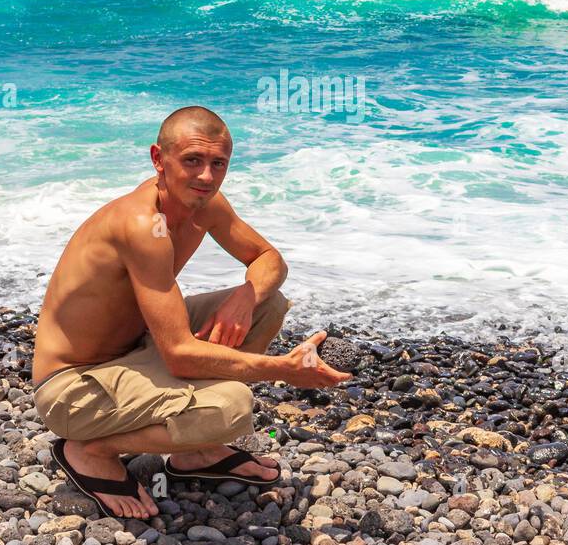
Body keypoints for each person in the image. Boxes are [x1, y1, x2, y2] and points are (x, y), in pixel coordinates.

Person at [32, 105, 350, 519]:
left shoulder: (206, 204)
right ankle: (90, 451)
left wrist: (246, 296)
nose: (206, 176)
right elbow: (179, 355)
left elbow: (270, 259)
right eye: (193, 161)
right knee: (233, 406)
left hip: (134, 353)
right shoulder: (143, 225)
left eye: (218, 164)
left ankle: (196, 452)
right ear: (158, 159)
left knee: (267, 303)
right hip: (73, 389)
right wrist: (282, 369)